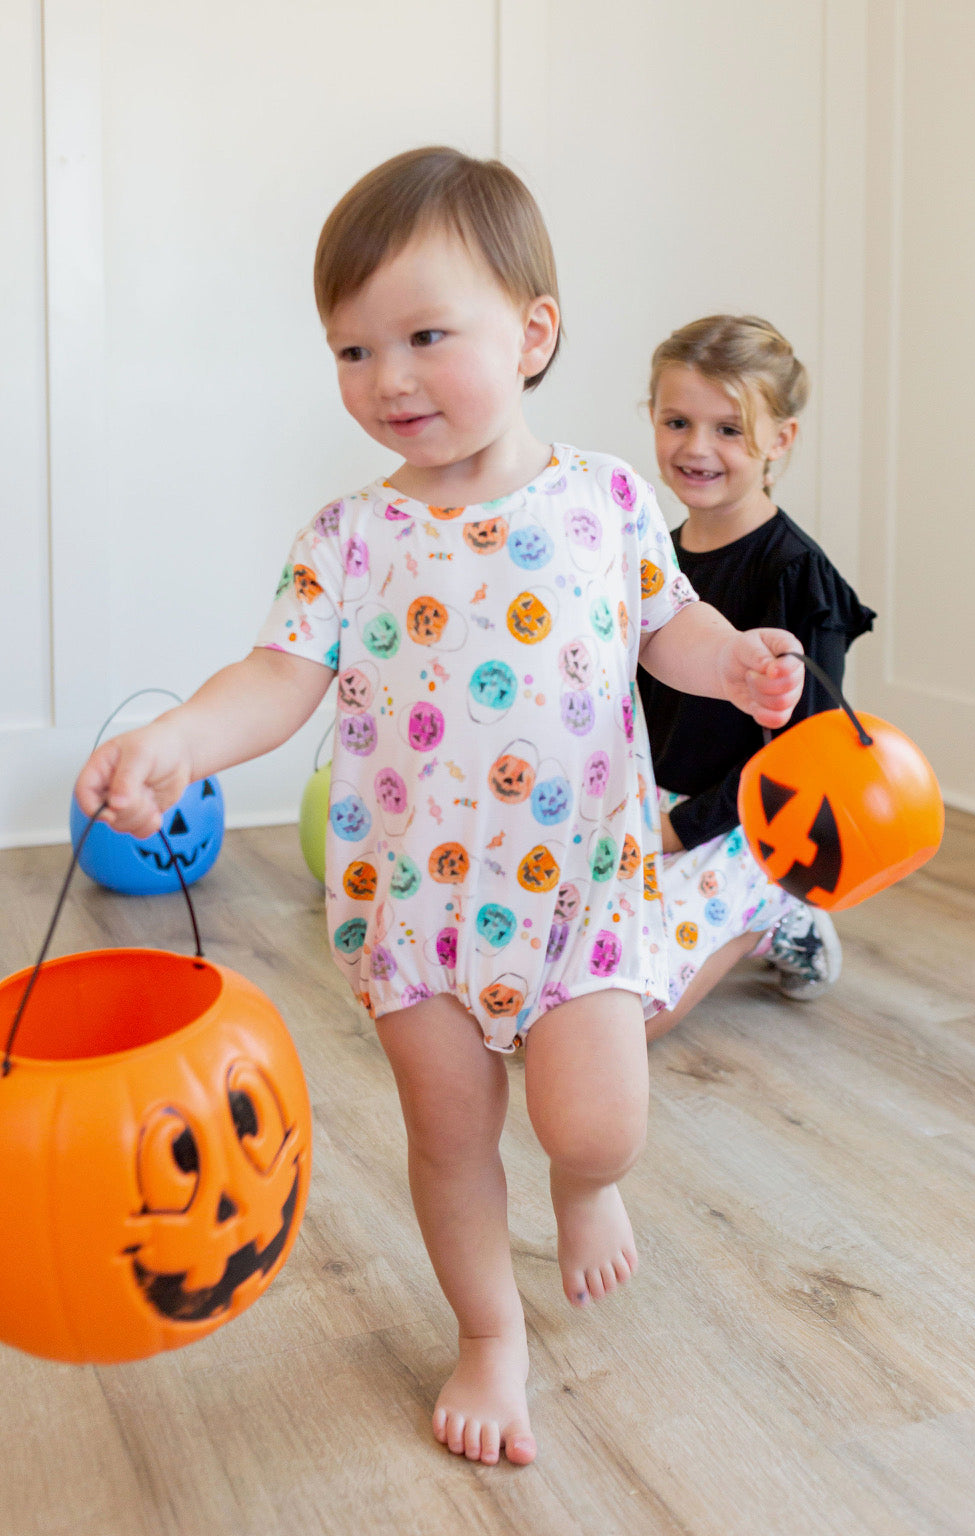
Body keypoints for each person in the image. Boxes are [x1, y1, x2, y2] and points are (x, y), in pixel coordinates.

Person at [74, 151, 804, 1466]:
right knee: (450, 1137)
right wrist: (178, 736)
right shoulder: (348, 537)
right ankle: (488, 1334)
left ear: (532, 333)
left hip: (580, 884)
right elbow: (278, 674)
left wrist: (737, 659)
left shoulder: (606, 500)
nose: (387, 379)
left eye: (423, 336)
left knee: (598, 1121)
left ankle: (585, 1195)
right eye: (352, 350)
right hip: (417, 905)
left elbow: (668, 626)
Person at [637, 314, 876, 1042]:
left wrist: (682, 828)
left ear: (781, 440)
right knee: (548, 972)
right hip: (648, 805)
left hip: (752, 820)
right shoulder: (648, 558)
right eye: (678, 421)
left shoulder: (797, 576)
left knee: (624, 1022)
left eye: (730, 429)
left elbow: (802, 758)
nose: (697, 447)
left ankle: (783, 914)